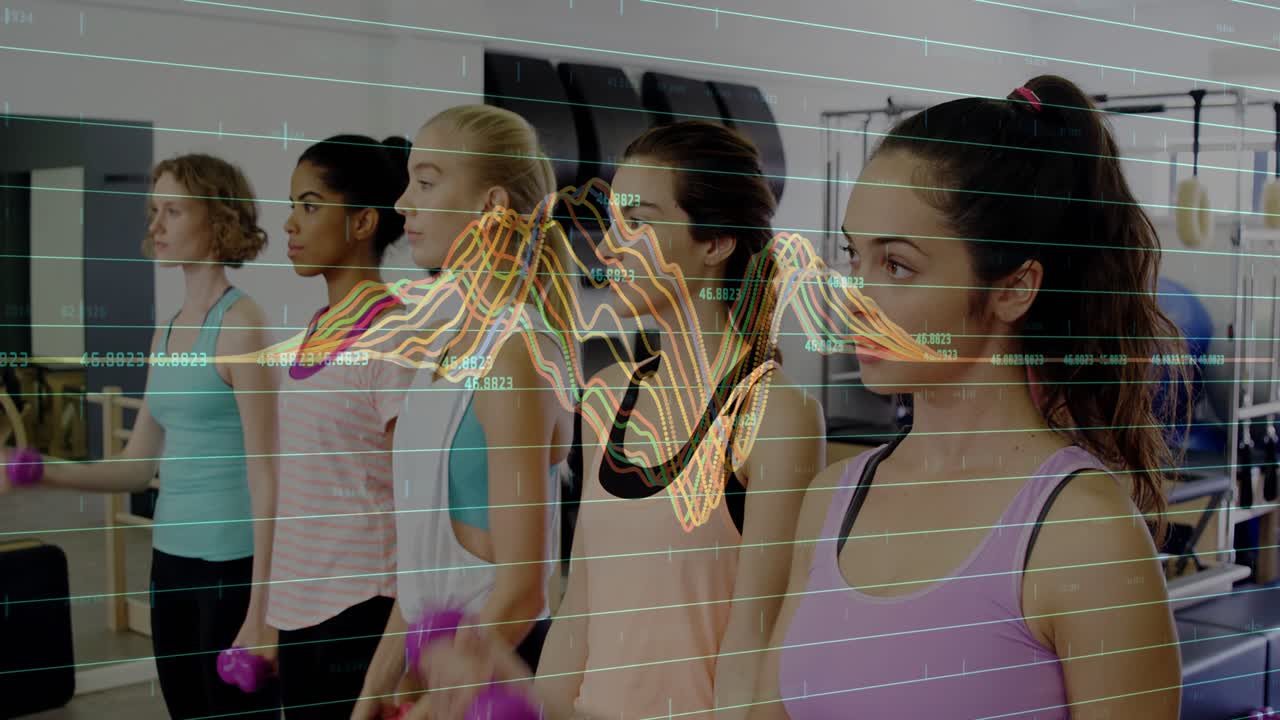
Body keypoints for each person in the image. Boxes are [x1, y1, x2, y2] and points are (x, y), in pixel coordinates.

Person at [748, 75, 1186, 718]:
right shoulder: (830, 501)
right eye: (854, 257)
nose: (855, 297)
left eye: (897, 265)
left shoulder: (1085, 533)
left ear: (1014, 287)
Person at [525, 121, 825, 720]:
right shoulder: (608, 395)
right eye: (613, 222)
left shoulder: (775, 415)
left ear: (714, 242)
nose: (609, 246)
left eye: (639, 223)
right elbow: (579, 608)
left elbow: (755, 643)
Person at [2, 154, 280, 719]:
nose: (155, 225)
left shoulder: (242, 326)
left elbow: (268, 474)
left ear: (219, 220)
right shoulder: (169, 331)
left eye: (172, 211)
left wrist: (262, 611)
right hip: (169, 558)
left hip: (230, 566)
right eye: (154, 210)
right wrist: (39, 471)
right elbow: (136, 466)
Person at [352, 105, 574, 720]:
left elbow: (524, 590)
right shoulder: (442, 347)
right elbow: (423, 574)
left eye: (425, 182)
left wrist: (436, 700)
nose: (402, 203)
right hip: (443, 671)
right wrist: (374, 691)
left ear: (490, 207)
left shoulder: (512, 352)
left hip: (499, 667)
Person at [262, 134, 418, 719]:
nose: (290, 224)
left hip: (361, 611)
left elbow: (417, 504)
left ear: (361, 223)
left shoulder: (394, 337)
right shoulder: (318, 323)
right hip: (301, 606)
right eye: (293, 207)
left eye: (309, 205)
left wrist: (401, 650)